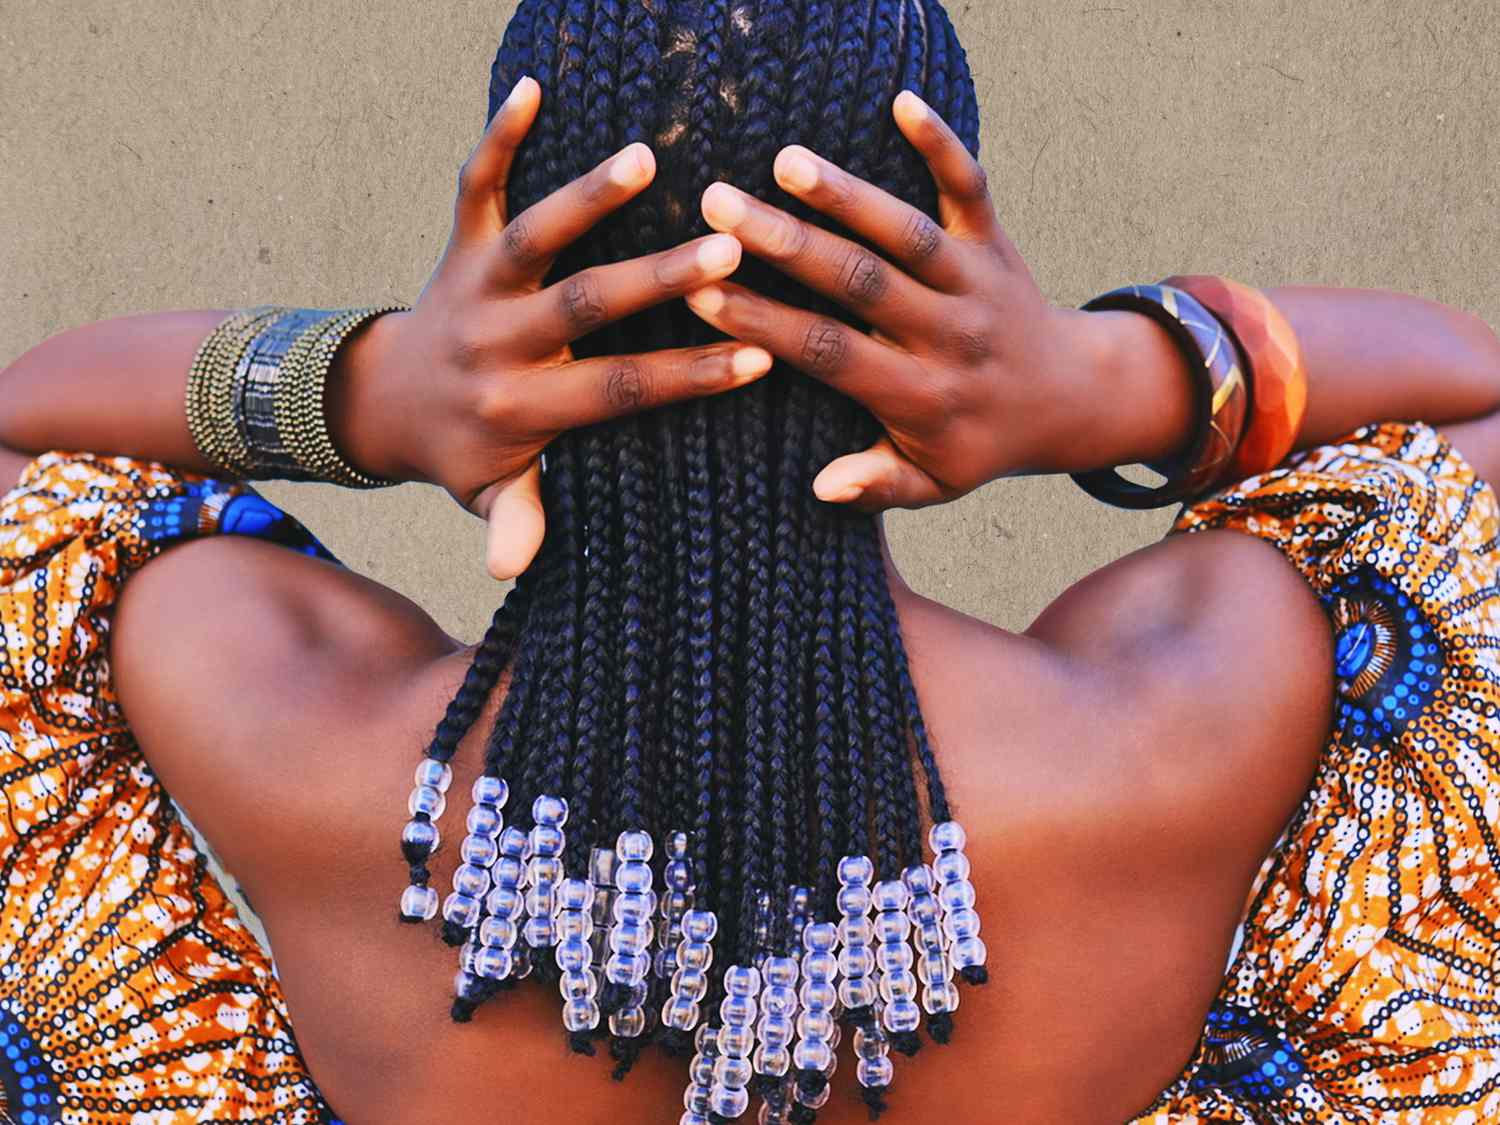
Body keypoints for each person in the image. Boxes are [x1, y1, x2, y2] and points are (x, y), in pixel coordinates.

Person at [1, 1, 1497, 1122]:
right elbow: (1474, 413)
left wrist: (367, 391)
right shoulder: (1179, 723)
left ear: (513, 274)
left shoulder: (302, 751)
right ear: (947, 276)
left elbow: (21, 451)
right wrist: (1110, 381)